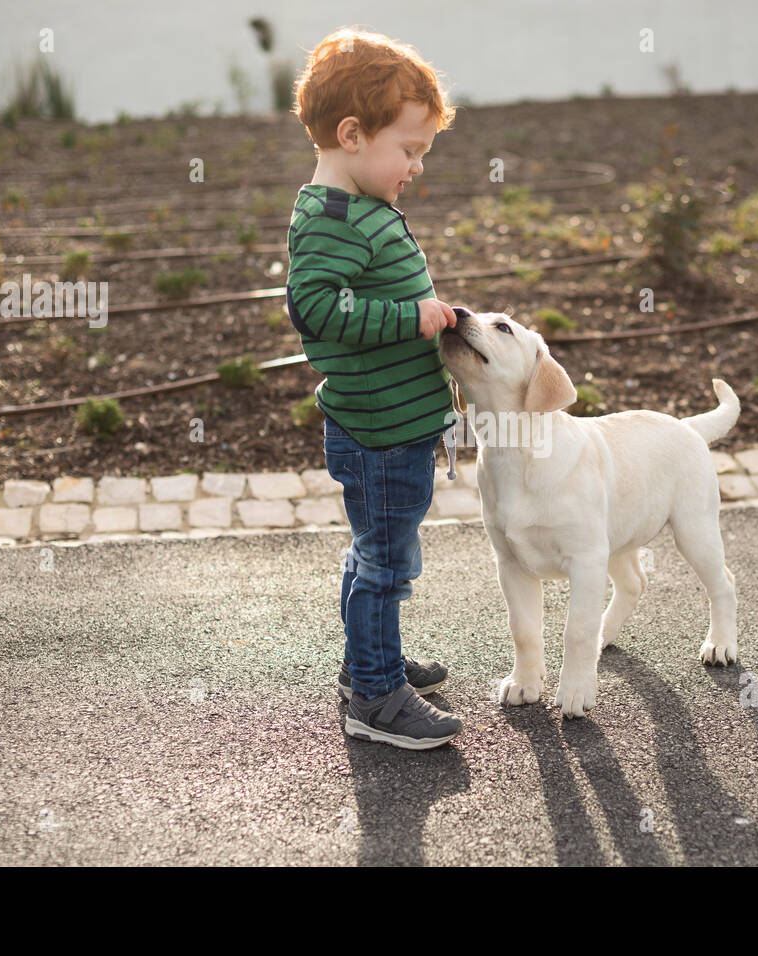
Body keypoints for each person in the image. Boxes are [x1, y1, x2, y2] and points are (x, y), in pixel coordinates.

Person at [286, 27, 463, 750]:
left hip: (395, 426)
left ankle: (371, 661)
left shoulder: (356, 209)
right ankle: (375, 696)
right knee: (386, 562)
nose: (416, 167)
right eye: (410, 149)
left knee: (376, 555)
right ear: (352, 134)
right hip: (379, 433)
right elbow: (318, 312)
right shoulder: (328, 221)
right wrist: (412, 316)